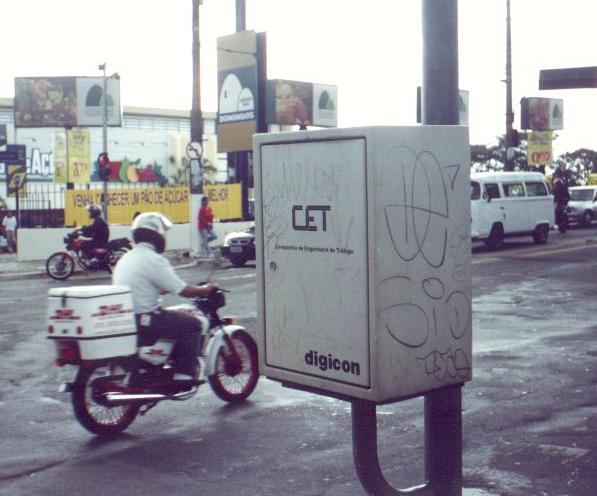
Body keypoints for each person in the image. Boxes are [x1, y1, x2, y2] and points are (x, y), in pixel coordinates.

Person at [113, 212, 217, 390]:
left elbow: (141, 284)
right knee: (192, 324)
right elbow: (184, 290)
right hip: (146, 320)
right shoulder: (154, 259)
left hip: (128, 319)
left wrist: (160, 289)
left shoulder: (127, 257)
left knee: (175, 319)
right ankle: (183, 376)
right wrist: (206, 289)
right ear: (156, 235)